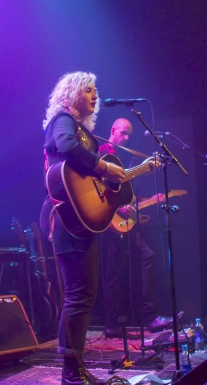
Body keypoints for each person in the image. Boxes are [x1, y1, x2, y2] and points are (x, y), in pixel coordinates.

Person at [40, 72, 126, 385]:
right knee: (79, 295)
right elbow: (65, 147)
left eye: (95, 91)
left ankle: (75, 371)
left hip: (78, 217)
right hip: (66, 219)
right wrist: (104, 167)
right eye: (87, 89)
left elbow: (83, 172)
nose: (94, 95)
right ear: (71, 92)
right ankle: (71, 375)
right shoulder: (63, 120)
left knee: (84, 294)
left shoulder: (82, 130)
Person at [98, 118, 173, 338]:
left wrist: (143, 174)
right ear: (112, 130)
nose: (126, 137)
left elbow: (122, 185)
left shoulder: (122, 156)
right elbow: (98, 187)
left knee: (144, 257)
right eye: (123, 133)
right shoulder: (103, 152)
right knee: (112, 273)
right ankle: (112, 323)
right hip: (108, 219)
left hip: (123, 221)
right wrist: (118, 206)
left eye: (129, 134)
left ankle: (148, 317)